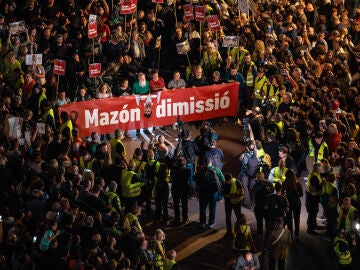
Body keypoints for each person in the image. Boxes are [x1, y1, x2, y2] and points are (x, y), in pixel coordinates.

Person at [195, 157, 225, 229]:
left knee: (202, 208)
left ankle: (202, 223)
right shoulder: (216, 170)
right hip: (213, 193)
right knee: (212, 208)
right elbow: (223, 179)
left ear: (205, 163)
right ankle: (211, 223)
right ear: (211, 162)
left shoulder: (201, 170)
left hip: (203, 192)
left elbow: (197, 180)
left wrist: (197, 191)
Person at [281, 169, 303, 239]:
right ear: (294, 175)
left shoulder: (284, 183)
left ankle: (290, 233)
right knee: (297, 218)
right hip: (297, 203)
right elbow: (301, 194)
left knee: (289, 218)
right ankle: (297, 233)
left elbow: (282, 194)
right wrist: (296, 197)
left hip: (288, 203)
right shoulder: (297, 183)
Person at [252, 171, 274, 238]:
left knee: (260, 221)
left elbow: (252, 193)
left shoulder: (257, 184)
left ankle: (260, 233)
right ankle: (267, 233)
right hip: (265, 206)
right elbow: (272, 192)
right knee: (266, 220)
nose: (257, 178)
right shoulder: (268, 183)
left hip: (260, 205)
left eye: (258, 177)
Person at [170, 157, 191, 226]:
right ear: (184, 162)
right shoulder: (187, 170)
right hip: (184, 190)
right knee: (184, 205)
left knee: (176, 205)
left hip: (175, 189)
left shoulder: (173, 169)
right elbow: (189, 179)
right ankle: (185, 219)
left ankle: (177, 219)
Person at [306, 162, 325, 235]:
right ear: (318, 168)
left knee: (314, 212)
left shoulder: (315, 173)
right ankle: (310, 229)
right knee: (312, 213)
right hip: (312, 197)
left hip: (313, 197)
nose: (322, 168)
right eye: (321, 167)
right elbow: (317, 187)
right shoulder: (314, 176)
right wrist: (323, 182)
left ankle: (314, 225)